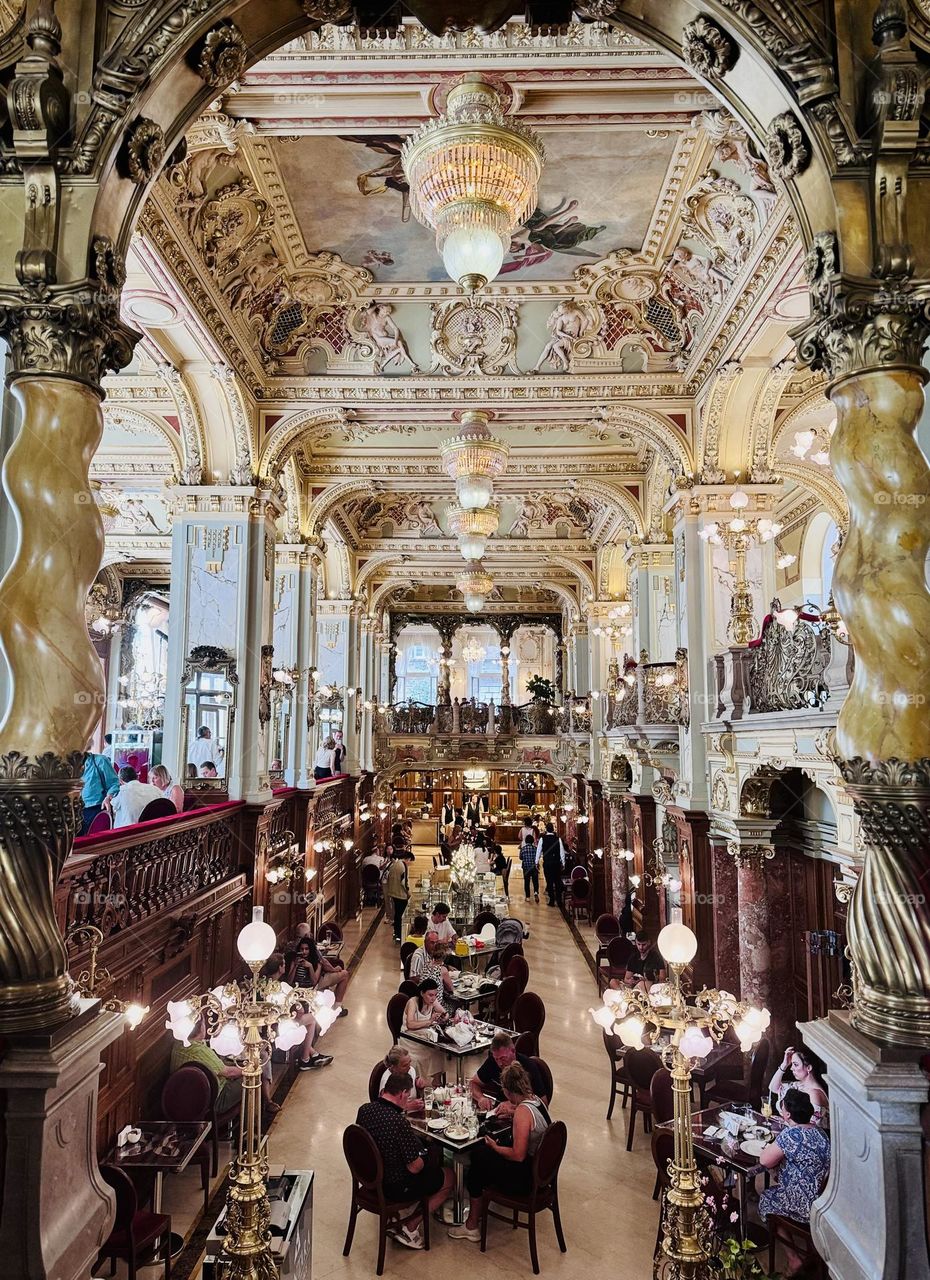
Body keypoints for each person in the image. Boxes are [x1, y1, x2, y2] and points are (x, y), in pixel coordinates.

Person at [450, 1061, 552, 1243]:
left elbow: (517, 1155)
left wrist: (495, 1148)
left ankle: (472, 1225)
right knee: (483, 1155)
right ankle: (477, 1213)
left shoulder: (523, 1112)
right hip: (541, 1172)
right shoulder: (535, 1100)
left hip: (526, 1177)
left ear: (507, 1091)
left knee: (479, 1158)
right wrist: (513, 1115)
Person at [355, 1071, 454, 1250]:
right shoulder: (398, 1123)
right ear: (402, 1094)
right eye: (407, 1095)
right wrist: (425, 1158)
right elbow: (415, 1167)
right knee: (448, 1176)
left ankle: (404, 1215)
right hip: (394, 1186)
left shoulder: (364, 1110)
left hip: (369, 1179)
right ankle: (410, 1227)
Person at [759, 1088, 831, 1257]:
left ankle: (793, 1259)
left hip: (803, 1206)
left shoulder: (791, 1135)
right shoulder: (820, 1133)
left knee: (766, 1199)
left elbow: (764, 1161)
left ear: (788, 1115)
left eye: (782, 1107)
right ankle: (813, 1252)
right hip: (823, 1202)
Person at [170, 1015, 243, 1111]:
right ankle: (253, 1117)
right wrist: (249, 1070)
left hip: (187, 1102)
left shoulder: (178, 1044)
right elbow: (229, 1073)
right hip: (214, 1101)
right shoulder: (200, 1051)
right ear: (201, 1028)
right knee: (252, 1077)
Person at [468, 1031, 548, 1111]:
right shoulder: (492, 1062)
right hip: (498, 1111)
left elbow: (543, 1104)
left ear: (513, 1051)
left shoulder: (528, 1067)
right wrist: (481, 1098)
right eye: (496, 1059)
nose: (499, 1063)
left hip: (522, 1115)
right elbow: (473, 1083)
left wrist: (514, 1107)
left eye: (503, 1058)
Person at [769, 1045, 830, 1128]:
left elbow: (808, 1128)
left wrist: (784, 1122)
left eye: (796, 1064)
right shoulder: (797, 1085)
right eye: (792, 1064)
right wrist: (784, 1064)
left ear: (808, 1068)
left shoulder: (814, 1094)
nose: (791, 1068)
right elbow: (773, 1088)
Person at [286, 935, 350, 1013]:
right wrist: (295, 966)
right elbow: (289, 982)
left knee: (344, 974)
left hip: (312, 987)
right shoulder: (294, 961)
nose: (304, 952)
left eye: (306, 949)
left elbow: (314, 982)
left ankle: (336, 1007)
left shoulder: (316, 961)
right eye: (302, 949)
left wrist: (310, 967)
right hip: (298, 989)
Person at [403, 977, 449, 1082]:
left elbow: (445, 1013)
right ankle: (426, 1083)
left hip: (422, 1036)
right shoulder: (413, 1002)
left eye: (435, 995)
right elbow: (410, 1024)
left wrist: (442, 1017)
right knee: (432, 1052)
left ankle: (436, 1082)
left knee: (439, 1051)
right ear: (422, 993)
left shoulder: (433, 1001)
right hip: (410, 1038)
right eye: (430, 995)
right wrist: (430, 1021)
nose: (433, 998)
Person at [80, 750, 120, 833]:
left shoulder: (99, 760)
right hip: (75, 811)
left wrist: (108, 797)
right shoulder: (68, 766)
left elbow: (114, 783)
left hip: (96, 809)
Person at [378, 1046, 427, 1111]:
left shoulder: (411, 1070)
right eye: (405, 1065)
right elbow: (385, 1109)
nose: (409, 1067)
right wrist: (406, 1107)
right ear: (393, 1067)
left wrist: (419, 1085)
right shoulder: (387, 1081)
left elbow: (414, 1092)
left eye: (410, 1062)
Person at [409, 931, 454, 1000]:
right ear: (425, 942)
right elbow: (413, 978)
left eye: (436, 942)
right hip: (424, 996)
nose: (435, 945)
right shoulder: (418, 956)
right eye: (432, 943)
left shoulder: (432, 956)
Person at [385, 848, 414, 943]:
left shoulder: (395, 864)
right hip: (400, 895)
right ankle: (400, 934)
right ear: (408, 859)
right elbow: (403, 882)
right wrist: (408, 893)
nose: (410, 864)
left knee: (397, 914)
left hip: (393, 893)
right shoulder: (403, 866)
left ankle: (396, 934)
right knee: (401, 915)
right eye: (411, 862)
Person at [536, 822, 567, 908]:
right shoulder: (558, 839)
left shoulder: (542, 839)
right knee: (557, 881)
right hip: (556, 863)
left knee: (549, 881)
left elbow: (538, 851)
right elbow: (562, 852)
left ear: (546, 829)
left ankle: (552, 900)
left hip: (547, 863)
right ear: (553, 829)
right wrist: (563, 863)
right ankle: (559, 900)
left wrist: (536, 862)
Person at [518, 822, 539, 902]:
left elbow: (520, 857)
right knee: (535, 881)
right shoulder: (535, 848)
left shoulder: (523, 849)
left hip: (526, 867)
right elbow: (537, 857)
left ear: (526, 841)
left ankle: (527, 897)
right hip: (534, 867)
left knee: (526, 882)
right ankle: (536, 892)